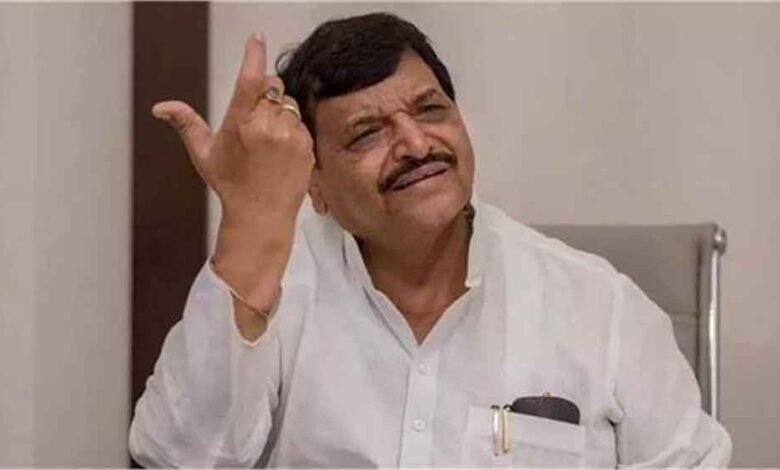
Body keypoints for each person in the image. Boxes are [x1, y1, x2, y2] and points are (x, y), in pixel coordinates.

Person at [129, 12, 731, 467]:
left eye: (431, 110)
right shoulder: (276, 286)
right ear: (317, 185)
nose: (415, 145)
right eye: (367, 134)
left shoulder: (599, 306)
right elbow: (177, 457)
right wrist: (249, 226)